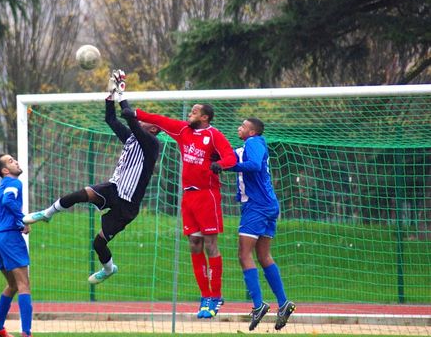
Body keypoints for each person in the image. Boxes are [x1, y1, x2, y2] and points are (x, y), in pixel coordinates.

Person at [23, 69, 161, 284]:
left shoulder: (152, 144)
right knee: (81, 194)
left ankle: (108, 269)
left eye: (145, 121)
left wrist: (122, 91)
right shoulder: (131, 138)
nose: (141, 121)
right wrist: (109, 96)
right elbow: (111, 118)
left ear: (153, 129)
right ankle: (47, 213)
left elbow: (129, 117)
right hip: (113, 188)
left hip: (128, 205)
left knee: (98, 244)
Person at [125, 103, 237, 318]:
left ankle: (216, 296)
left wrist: (220, 165)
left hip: (208, 195)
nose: (190, 114)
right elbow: (159, 120)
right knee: (195, 245)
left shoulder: (214, 136)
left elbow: (230, 157)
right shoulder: (183, 130)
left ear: (204, 117)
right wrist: (135, 114)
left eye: (194, 112)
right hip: (189, 196)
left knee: (211, 245)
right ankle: (205, 296)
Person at [222, 118, 295, 330]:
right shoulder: (249, 146)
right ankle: (283, 303)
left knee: (244, 254)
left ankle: (258, 305)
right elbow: (229, 156)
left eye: (243, 126)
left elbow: (252, 165)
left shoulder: (254, 143)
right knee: (263, 256)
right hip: (269, 205)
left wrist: (227, 168)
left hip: (257, 206)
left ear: (252, 131)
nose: (239, 128)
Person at [0, 154, 33, 337]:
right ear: (5, 170)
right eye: (11, 161)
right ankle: (26, 333)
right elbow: (8, 201)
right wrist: (23, 220)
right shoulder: (13, 182)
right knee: (24, 285)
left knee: (12, 285)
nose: (16, 162)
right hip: (8, 237)